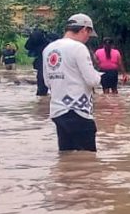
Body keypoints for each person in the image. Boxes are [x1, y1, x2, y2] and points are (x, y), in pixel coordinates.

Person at [42, 14, 104, 152]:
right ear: (84, 30)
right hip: (78, 112)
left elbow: (47, 82)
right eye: (88, 34)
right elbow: (92, 80)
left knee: (67, 158)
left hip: (58, 112)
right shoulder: (79, 48)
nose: (88, 38)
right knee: (88, 162)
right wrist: (99, 76)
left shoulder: (48, 49)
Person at [25, 28, 55, 96]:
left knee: (41, 84)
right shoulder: (48, 39)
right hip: (52, 62)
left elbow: (27, 47)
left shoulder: (37, 41)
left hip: (42, 62)